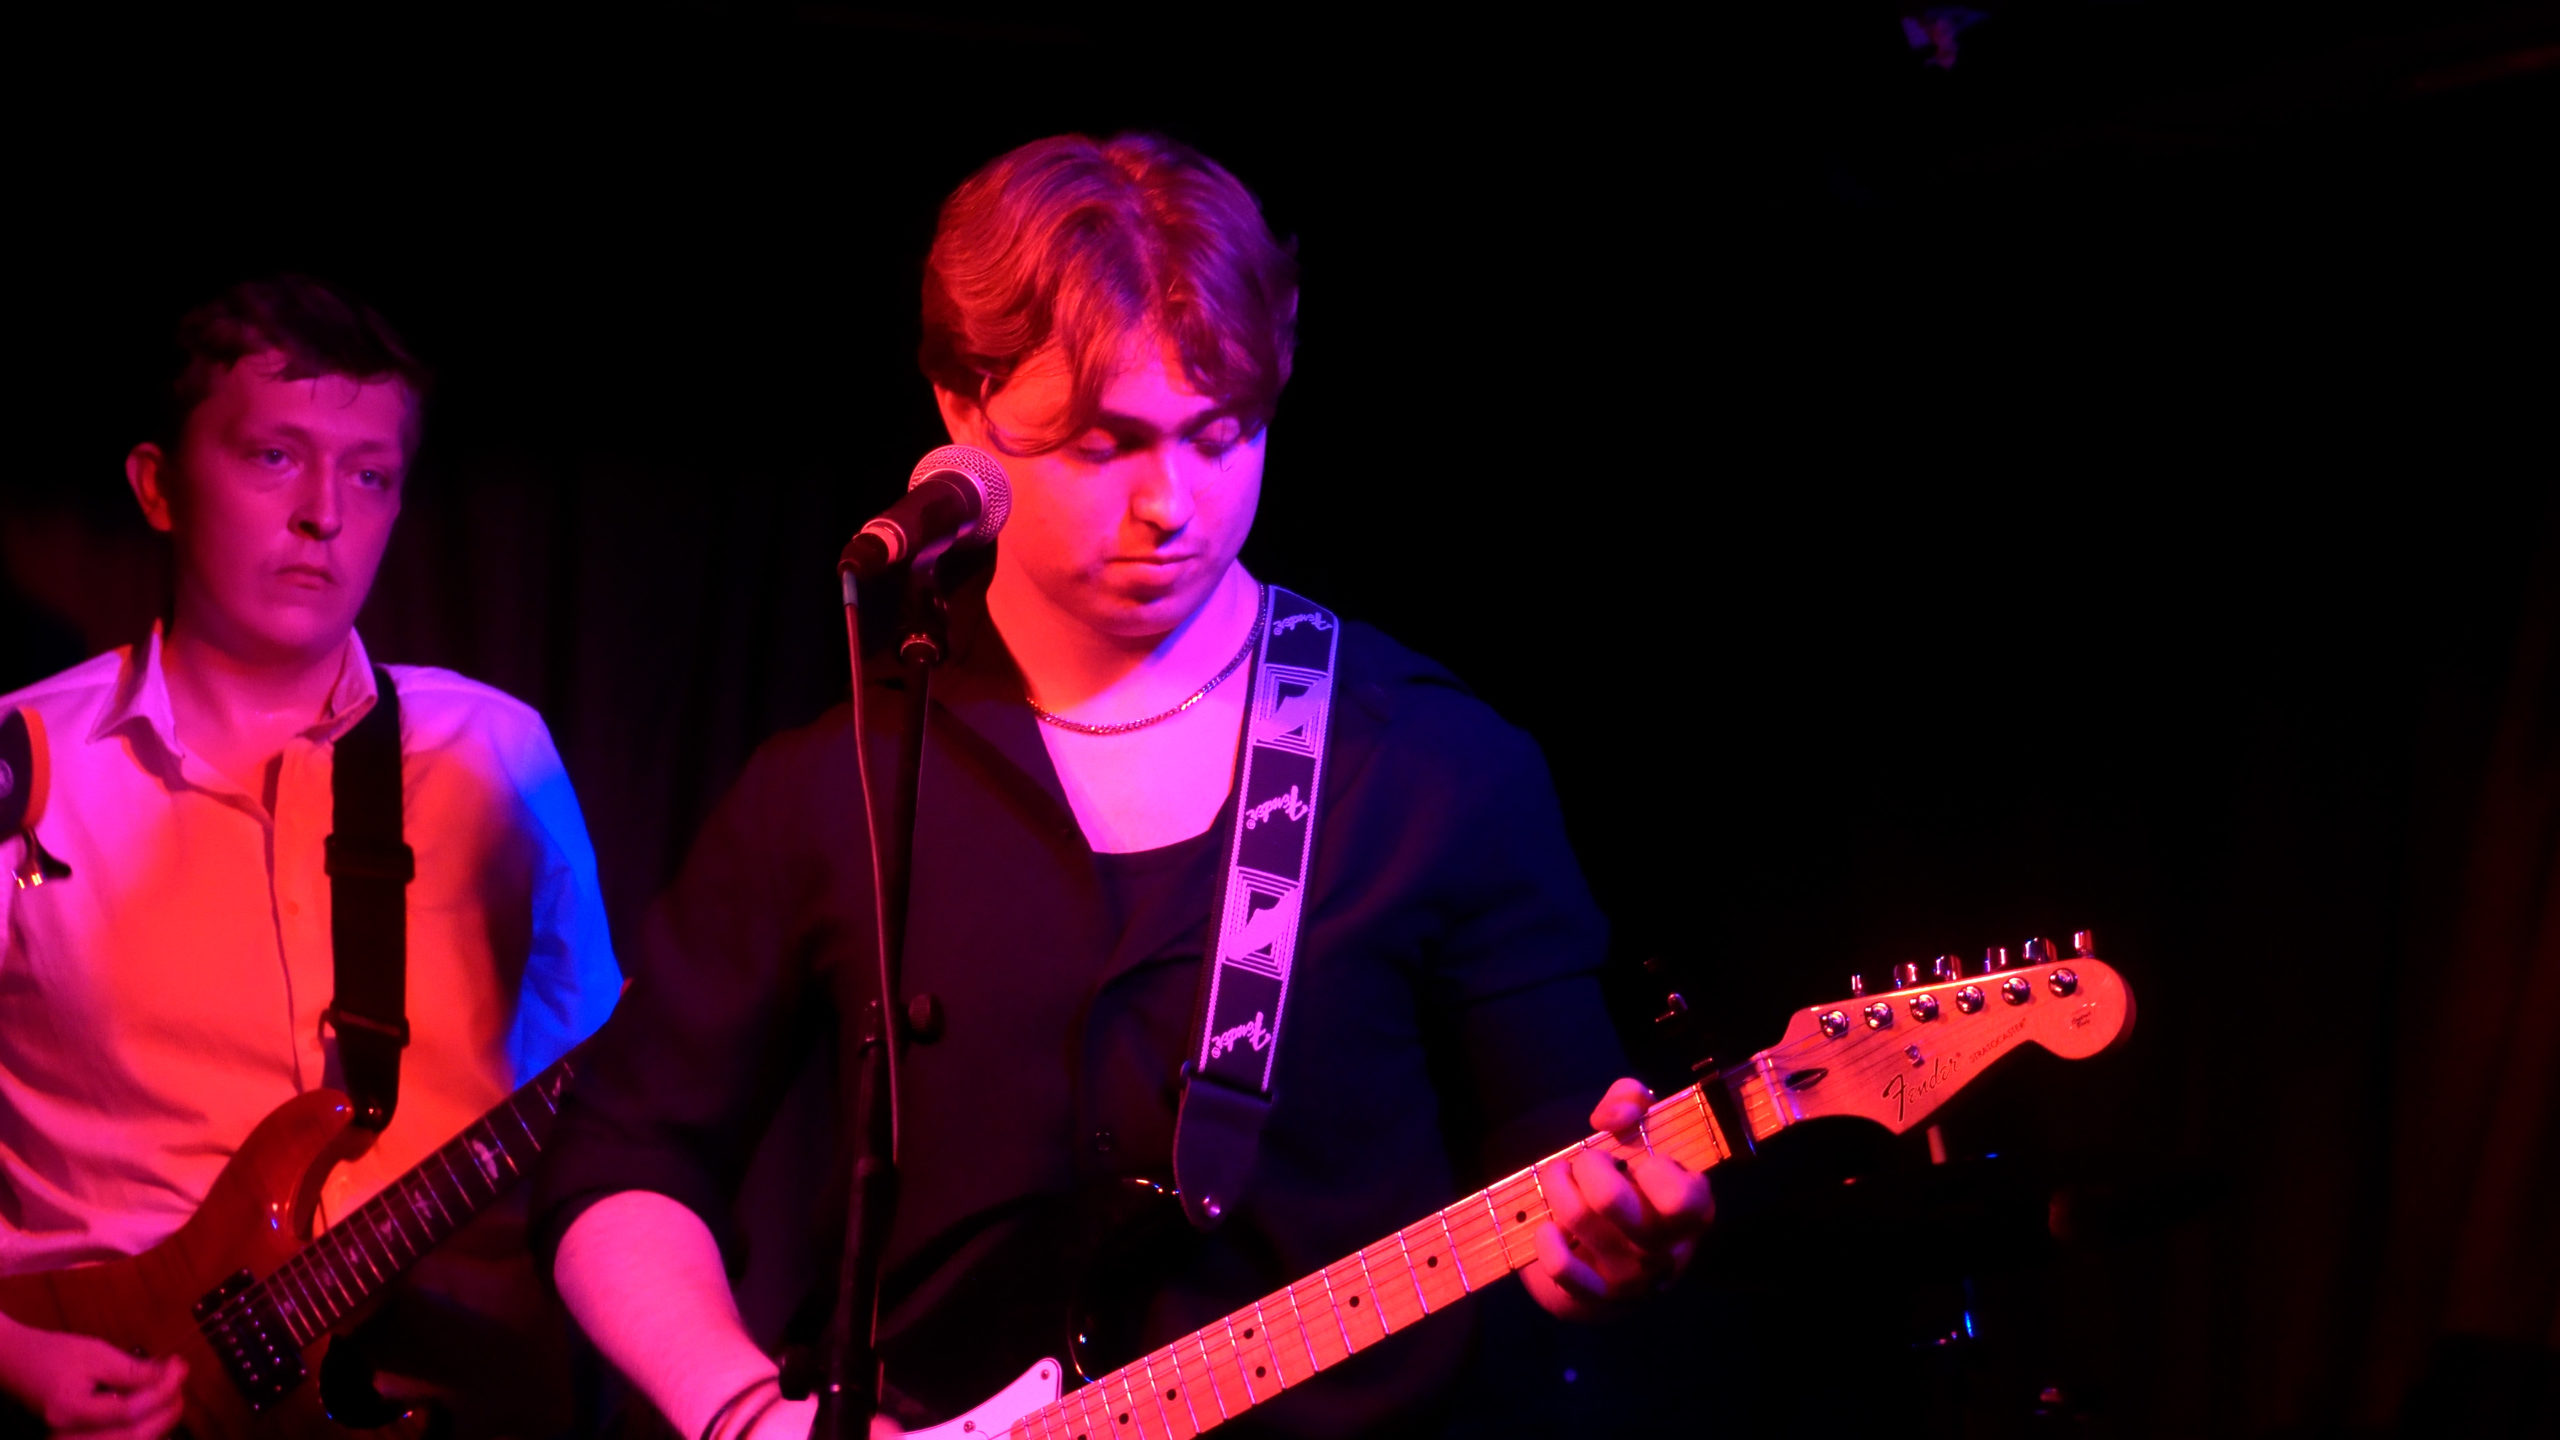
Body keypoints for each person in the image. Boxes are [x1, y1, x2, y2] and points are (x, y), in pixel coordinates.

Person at [533, 133, 1711, 1439]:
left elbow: (1567, 1152)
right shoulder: (839, 786)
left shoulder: (1435, 765)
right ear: (964, 412)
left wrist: (1617, 1241)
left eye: (1220, 435)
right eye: (1106, 446)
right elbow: (619, 1162)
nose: (1173, 505)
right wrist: (745, 1411)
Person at [0, 277, 622, 1439]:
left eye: (370, 475)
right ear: (157, 486)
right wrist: (20, 1359)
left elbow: (612, 1105)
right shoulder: (26, 764)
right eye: (275, 457)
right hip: (106, 1397)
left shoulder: (496, 756)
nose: (324, 514)